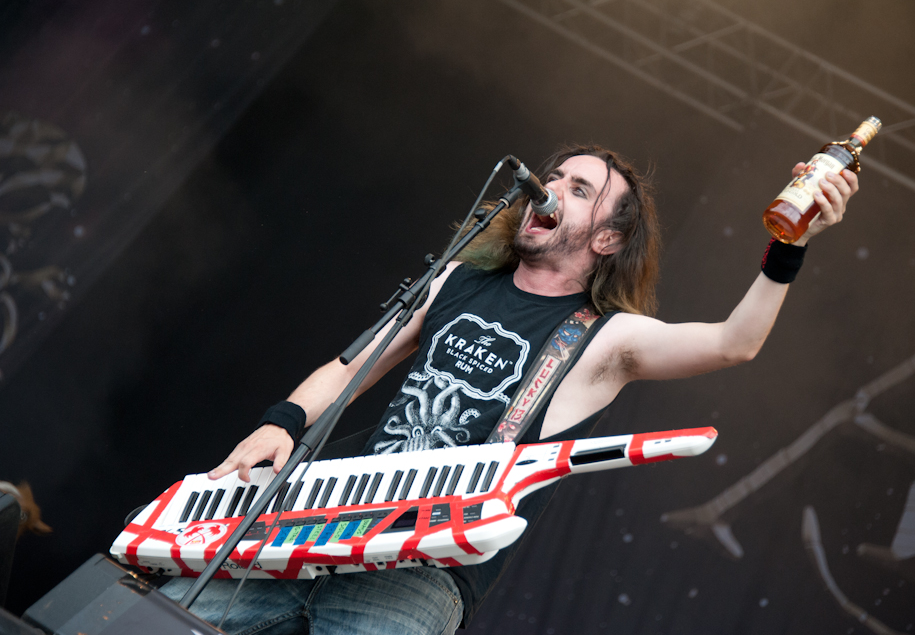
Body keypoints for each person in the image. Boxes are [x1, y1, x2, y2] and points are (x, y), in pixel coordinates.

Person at [161, 144, 859, 634]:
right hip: (310, 530)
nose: (550, 190)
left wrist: (791, 242)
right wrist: (281, 421)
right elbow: (350, 368)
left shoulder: (604, 337)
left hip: (419, 567)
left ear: (610, 239)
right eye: (554, 177)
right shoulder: (457, 281)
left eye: (579, 190)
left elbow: (733, 342)